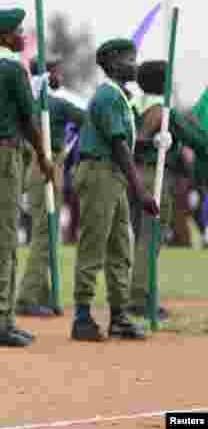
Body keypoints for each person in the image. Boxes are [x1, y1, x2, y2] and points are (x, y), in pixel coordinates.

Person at [0, 8, 54, 347]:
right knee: (5, 238)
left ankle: (2, 315)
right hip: (5, 154)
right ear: (7, 37)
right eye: (19, 31)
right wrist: (43, 156)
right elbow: (28, 118)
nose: (24, 35)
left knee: (2, 234)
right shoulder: (12, 69)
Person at [70, 38, 150, 342]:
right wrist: (140, 190)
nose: (136, 64)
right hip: (100, 172)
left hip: (112, 174)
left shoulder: (120, 96)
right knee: (94, 244)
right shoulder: (107, 96)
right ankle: (81, 316)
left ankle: (119, 315)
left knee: (120, 246)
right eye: (130, 58)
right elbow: (117, 144)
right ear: (113, 61)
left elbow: (125, 142)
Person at [127, 60, 208, 320]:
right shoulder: (164, 112)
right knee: (151, 240)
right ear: (163, 82)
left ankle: (141, 295)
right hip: (155, 177)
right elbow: (196, 140)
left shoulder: (132, 105)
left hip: (131, 176)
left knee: (142, 236)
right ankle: (140, 299)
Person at [16, 58, 86, 318]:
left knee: (42, 233)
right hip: (47, 167)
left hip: (35, 168)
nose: (60, 76)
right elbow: (86, 118)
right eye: (56, 72)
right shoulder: (53, 103)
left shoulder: (29, 104)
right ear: (47, 76)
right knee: (45, 236)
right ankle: (27, 295)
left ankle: (41, 294)